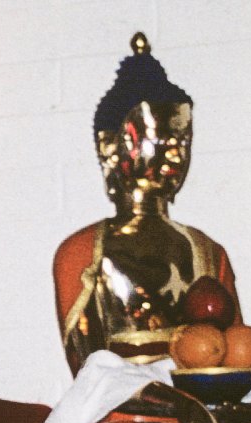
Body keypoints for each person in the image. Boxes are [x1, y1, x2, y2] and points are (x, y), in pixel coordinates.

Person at [50, 36, 239, 372]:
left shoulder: (208, 252)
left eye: (182, 140)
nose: (176, 152)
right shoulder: (81, 255)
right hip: (125, 411)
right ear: (110, 146)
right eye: (162, 138)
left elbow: (235, 355)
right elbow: (90, 376)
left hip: (204, 411)